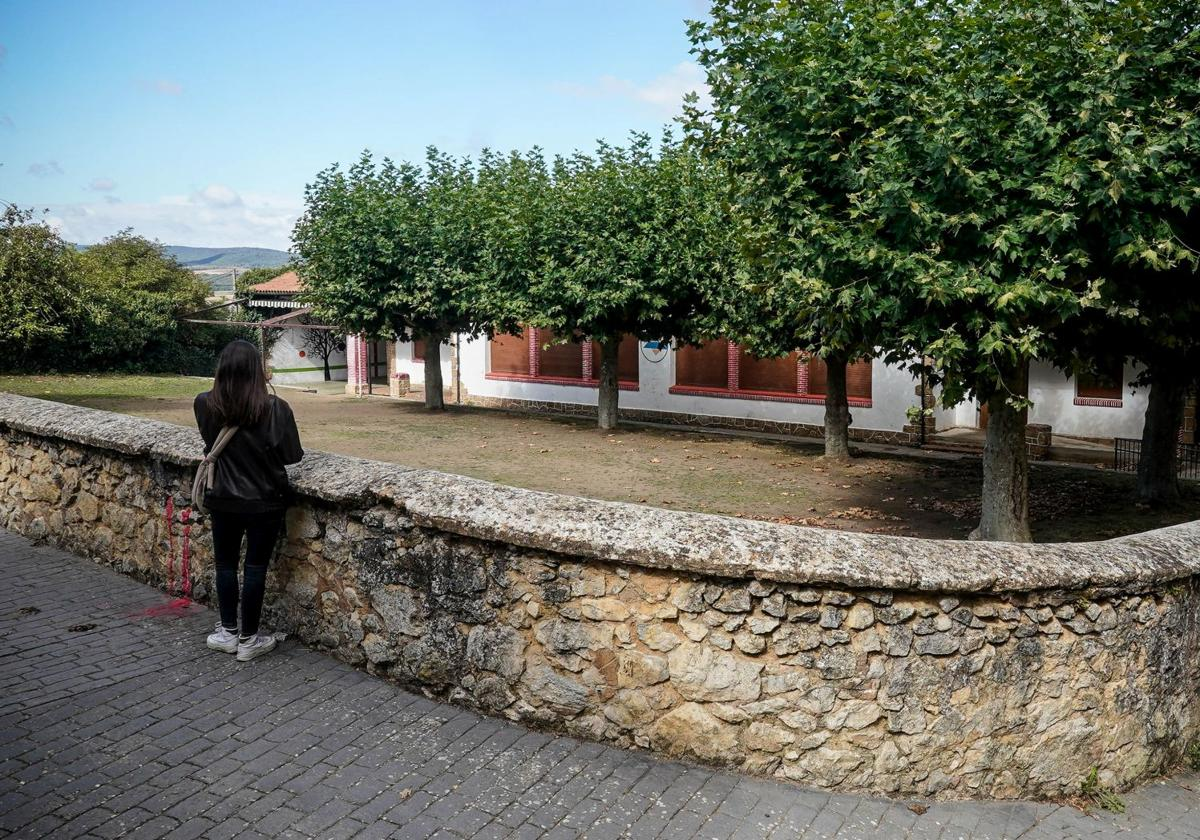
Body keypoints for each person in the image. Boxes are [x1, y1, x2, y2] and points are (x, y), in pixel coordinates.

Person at [194, 339, 303, 662]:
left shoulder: (204, 404)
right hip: (264, 498)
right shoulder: (274, 408)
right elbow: (291, 455)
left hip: (222, 497)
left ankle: (227, 632)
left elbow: (209, 442)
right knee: (255, 567)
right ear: (257, 370)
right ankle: (249, 638)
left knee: (225, 563)